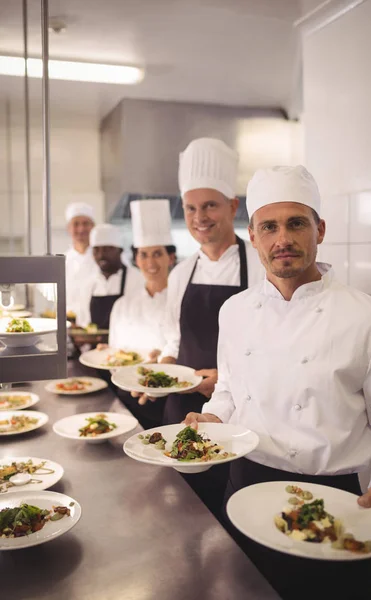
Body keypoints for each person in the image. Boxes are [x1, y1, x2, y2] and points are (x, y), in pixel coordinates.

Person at [184, 165, 371, 600]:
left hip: (332, 504)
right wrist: (208, 419)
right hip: (243, 487)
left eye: (296, 223)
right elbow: (228, 389)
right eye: (269, 226)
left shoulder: (370, 321)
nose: (282, 239)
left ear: (319, 229)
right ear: (253, 235)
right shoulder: (235, 311)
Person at [139, 138, 263, 518]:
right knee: (176, 511)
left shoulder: (259, 268)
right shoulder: (180, 274)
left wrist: (222, 378)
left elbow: (269, 348)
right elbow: (173, 338)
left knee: (226, 514)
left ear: (233, 206)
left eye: (210, 205)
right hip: (182, 406)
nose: (199, 217)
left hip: (234, 409)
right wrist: (161, 377)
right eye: (191, 208)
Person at [109, 200, 176, 429]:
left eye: (157, 253)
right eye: (143, 254)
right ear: (136, 260)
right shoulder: (122, 305)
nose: (150, 262)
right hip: (128, 397)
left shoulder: (181, 302)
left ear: (171, 258)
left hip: (169, 398)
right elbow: (114, 357)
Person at [76, 223, 143, 330]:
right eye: (96, 250)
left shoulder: (137, 279)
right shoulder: (89, 284)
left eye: (107, 249)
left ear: (120, 251)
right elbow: (83, 323)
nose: (101, 255)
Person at [64, 202, 96, 318]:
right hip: (67, 324)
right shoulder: (63, 261)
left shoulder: (103, 259)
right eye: (76, 224)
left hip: (97, 325)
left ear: (93, 227)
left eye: (85, 223)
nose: (81, 229)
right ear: (68, 228)